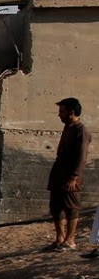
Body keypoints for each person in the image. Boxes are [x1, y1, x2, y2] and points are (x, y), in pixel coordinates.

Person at [47, 97, 90, 251]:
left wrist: (74, 177)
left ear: (71, 112)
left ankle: (70, 240)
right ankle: (59, 238)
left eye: (62, 111)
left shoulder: (81, 131)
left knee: (71, 207)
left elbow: (81, 157)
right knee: (55, 206)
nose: (59, 115)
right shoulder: (68, 128)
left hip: (70, 176)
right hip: (59, 172)